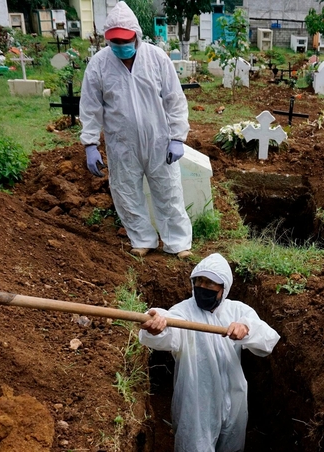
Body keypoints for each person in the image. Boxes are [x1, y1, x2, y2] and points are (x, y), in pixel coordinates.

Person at [80, 1, 192, 259]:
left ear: (136, 36)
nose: (121, 46)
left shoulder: (156, 58)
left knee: (169, 191)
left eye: (125, 40)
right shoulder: (99, 65)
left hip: (159, 142)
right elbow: (90, 106)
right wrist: (90, 144)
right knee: (126, 192)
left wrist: (177, 138)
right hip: (122, 143)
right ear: (108, 39)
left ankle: (178, 243)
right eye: (115, 41)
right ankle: (142, 239)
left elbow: (174, 99)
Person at [139, 253, 280, 452]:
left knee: (231, 446)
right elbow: (167, 329)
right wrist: (156, 326)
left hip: (234, 395)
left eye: (211, 283)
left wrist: (247, 329)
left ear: (224, 288)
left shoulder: (237, 311)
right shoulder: (183, 313)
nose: (203, 287)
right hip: (197, 401)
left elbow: (268, 340)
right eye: (199, 281)